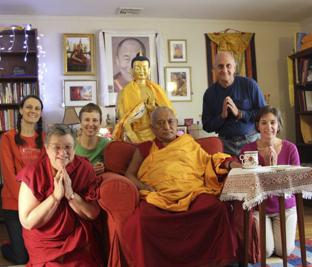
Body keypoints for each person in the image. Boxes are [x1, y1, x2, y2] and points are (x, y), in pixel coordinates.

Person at [121, 106, 236, 267]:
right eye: (160, 124)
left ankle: (215, 262)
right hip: (159, 195)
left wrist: (228, 163)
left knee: (216, 208)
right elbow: (129, 174)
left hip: (192, 192)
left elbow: (208, 161)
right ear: (153, 128)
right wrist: (143, 186)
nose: (166, 127)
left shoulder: (188, 143)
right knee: (140, 220)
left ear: (176, 124)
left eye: (170, 122)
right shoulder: (145, 148)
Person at [17, 124, 103, 266]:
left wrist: (71, 195)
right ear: (46, 148)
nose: (62, 153)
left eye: (68, 147)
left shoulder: (84, 168)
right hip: (44, 243)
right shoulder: (33, 173)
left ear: (74, 148)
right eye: (56, 147)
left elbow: (93, 213)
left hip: (76, 240)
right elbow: (27, 222)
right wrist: (55, 197)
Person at [240, 105, 300, 257]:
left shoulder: (290, 148)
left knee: (283, 252)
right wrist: (265, 166)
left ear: (278, 125)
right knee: (266, 251)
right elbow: (247, 184)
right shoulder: (248, 150)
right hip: (260, 209)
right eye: (264, 122)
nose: (269, 127)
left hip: (285, 208)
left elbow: (295, 183)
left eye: (273, 122)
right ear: (257, 126)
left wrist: (273, 167)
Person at [0, 95, 44, 265]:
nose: (33, 111)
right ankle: (6, 245)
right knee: (21, 258)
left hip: (38, 203)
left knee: (36, 254)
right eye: (29, 107)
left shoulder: (44, 138)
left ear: (40, 114)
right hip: (14, 204)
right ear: (20, 110)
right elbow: (9, 175)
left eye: (37, 108)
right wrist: (28, 203)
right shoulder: (8, 138)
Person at [202, 51, 266, 156]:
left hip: (251, 141)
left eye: (228, 66)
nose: (225, 70)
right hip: (224, 145)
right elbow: (207, 126)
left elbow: (263, 114)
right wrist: (222, 117)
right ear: (214, 70)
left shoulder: (250, 85)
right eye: (220, 66)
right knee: (225, 173)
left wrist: (240, 114)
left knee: (253, 172)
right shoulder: (209, 94)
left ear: (234, 68)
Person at [113, 53, 174, 144]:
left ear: (149, 70)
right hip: (134, 133)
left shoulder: (156, 90)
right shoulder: (124, 92)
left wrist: (154, 110)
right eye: (138, 68)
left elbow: (166, 113)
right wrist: (131, 134)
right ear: (131, 70)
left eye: (144, 68)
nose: (141, 71)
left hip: (155, 133)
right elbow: (123, 118)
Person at [75, 103, 110, 176]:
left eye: (95, 120)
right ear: (80, 123)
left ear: (100, 123)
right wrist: (90, 170)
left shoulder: (106, 144)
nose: (91, 124)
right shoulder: (71, 145)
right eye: (87, 120)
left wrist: (104, 168)